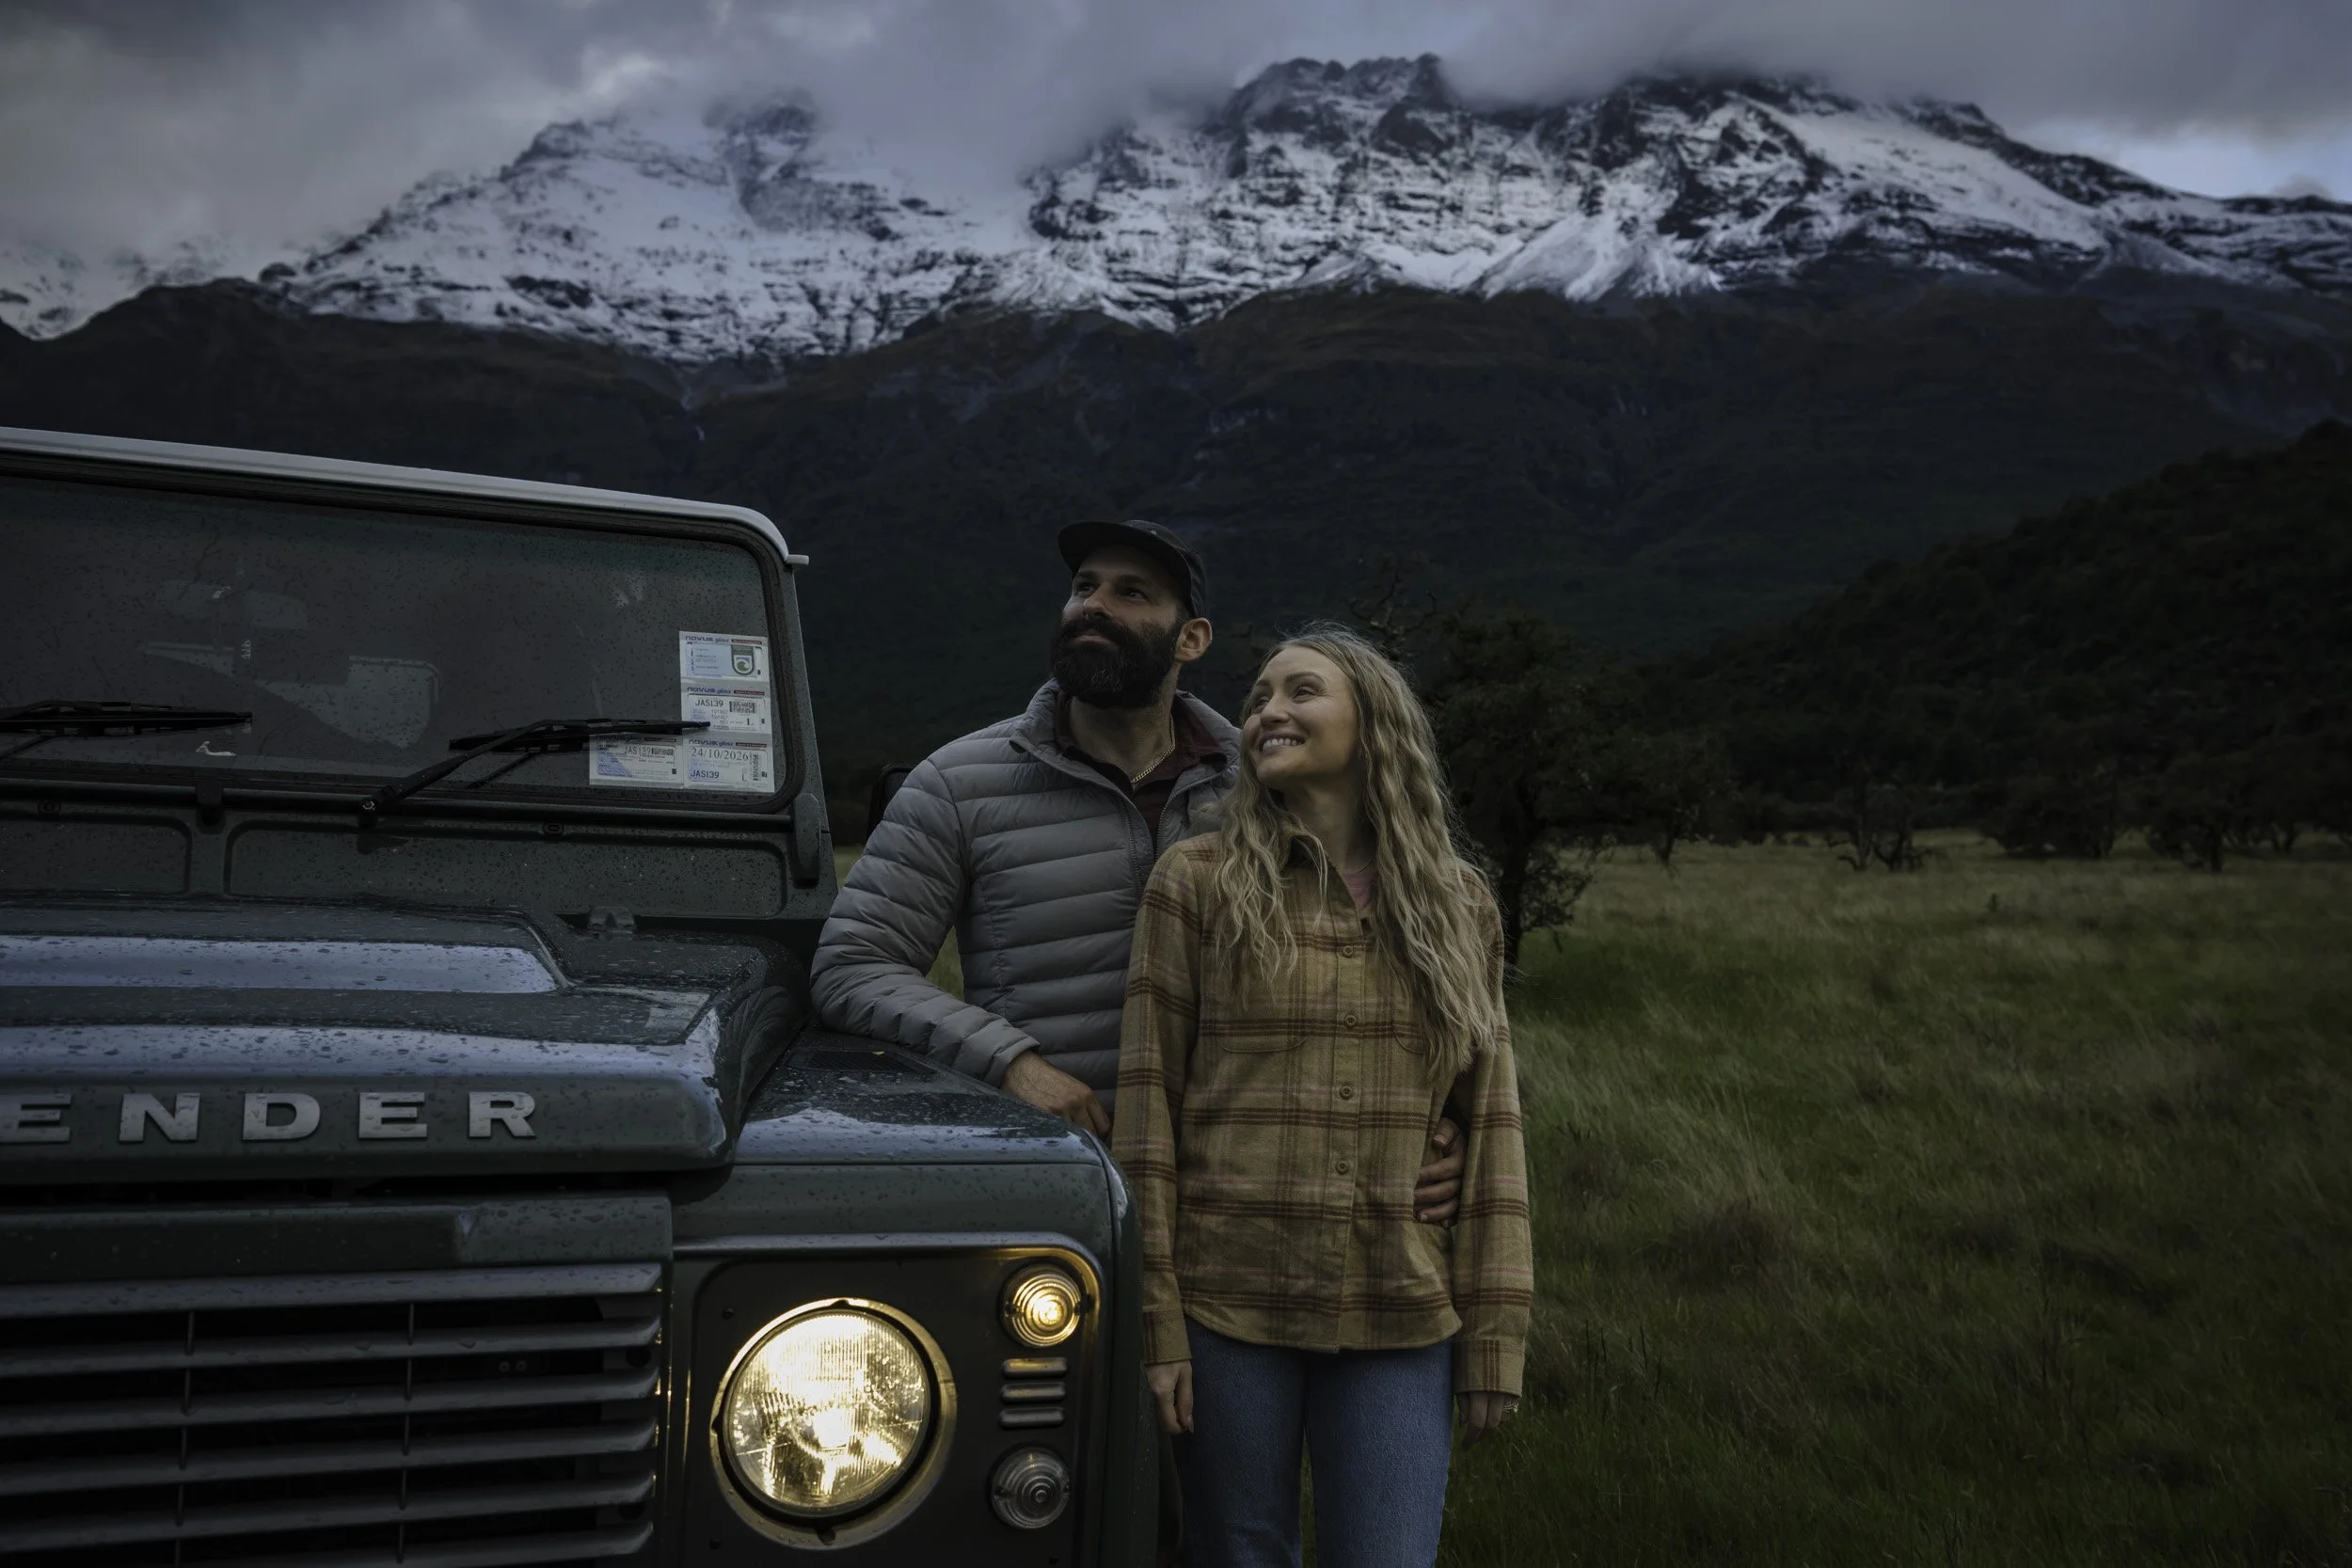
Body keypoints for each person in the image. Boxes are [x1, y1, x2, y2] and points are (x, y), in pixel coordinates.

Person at [812, 524, 1469, 1226]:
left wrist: (1426, 1121)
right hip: (1055, 1171)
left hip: (1244, 1187)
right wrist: (1012, 1065)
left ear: (1191, 639)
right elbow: (853, 964)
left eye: (1132, 593)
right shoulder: (959, 782)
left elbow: (1375, 959)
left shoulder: (1266, 779)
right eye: (1082, 587)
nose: (1093, 605)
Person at [1112, 624, 1532, 1568]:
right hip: (1228, 1303)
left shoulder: (1459, 905)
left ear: (1373, 722)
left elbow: (1492, 1123)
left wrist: (1496, 1331)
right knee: (1239, 1551)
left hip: (1399, 1300)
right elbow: (1147, 1111)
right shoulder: (1196, 883)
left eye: (1300, 691)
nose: (1268, 710)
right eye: (1259, 696)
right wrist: (1159, 1322)